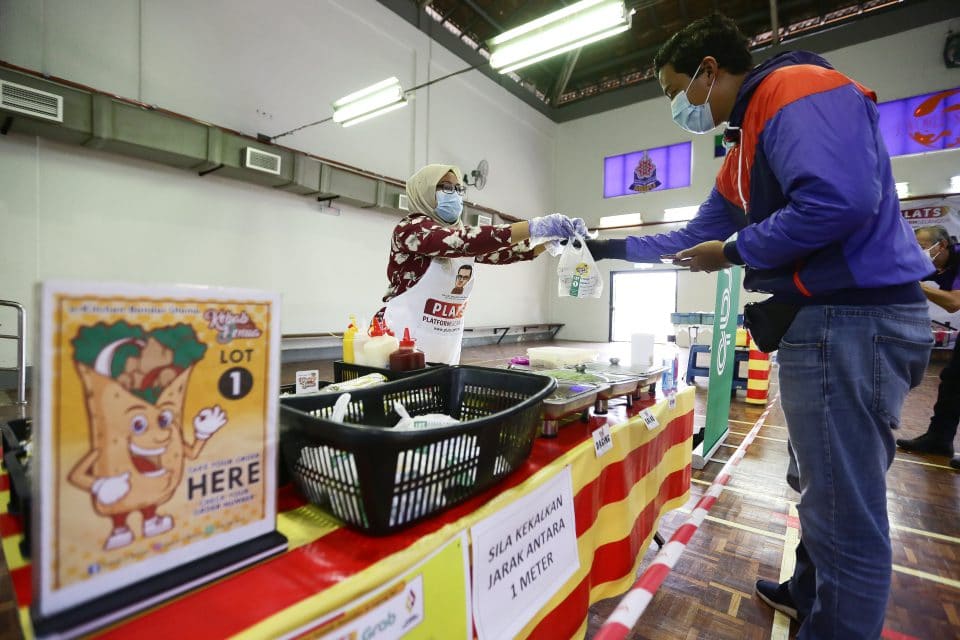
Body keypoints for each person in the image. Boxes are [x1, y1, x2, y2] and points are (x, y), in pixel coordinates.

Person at [586, 13, 933, 638]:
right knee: (815, 480)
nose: (676, 106)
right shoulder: (742, 145)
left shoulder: (791, 89)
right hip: (822, 321)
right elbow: (696, 235)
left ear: (708, 70)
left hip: (852, 319)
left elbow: (838, 201)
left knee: (844, 516)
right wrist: (596, 247)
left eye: (674, 90)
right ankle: (808, 591)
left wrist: (738, 250)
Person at [376, 163, 585, 365]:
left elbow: (504, 253)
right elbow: (463, 240)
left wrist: (550, 242)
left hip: (444, 350)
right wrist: (533, 227)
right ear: (425, 191)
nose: (455, 194)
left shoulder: (460, 237)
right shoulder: (410, 230)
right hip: (399, 350)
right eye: (447, 188)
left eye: (458, 189)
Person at [896, 225, 960, 469]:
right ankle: (939, 439)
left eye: (922, 248)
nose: (918, 253)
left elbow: (954, 303)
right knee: (953, 380)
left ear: (941, 245)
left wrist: (915, 284)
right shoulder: (935, 265)